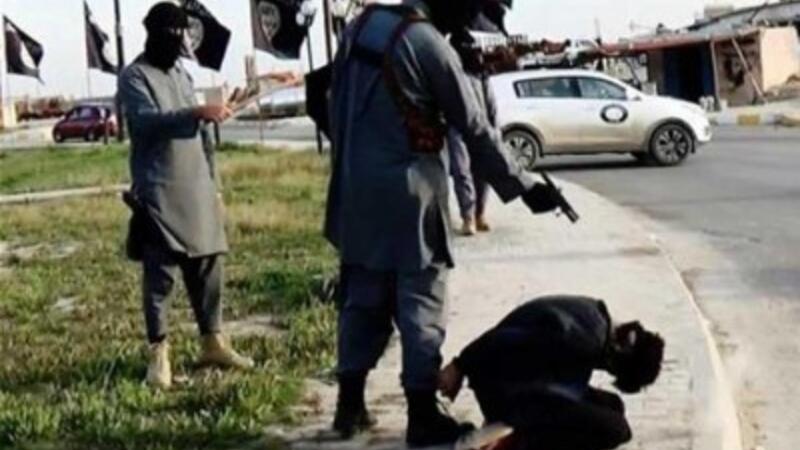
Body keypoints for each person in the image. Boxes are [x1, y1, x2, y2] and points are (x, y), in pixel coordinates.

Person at [324, 0, 563, 446]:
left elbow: (331, 102)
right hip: (410, 196)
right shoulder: (428, 43)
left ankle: (348, 405)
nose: (464, 26)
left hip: (354, 191)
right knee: (421, 301)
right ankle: (422, 414)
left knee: (362, 300)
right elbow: (474, 127)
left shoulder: (358, 26)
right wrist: (525, 186)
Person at [118, 2, 253, 390]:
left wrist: (215, 185)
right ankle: (158, 354)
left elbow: (204, 136)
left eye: (180, 36)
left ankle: (213, 342)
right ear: (152, 34)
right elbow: (146, 123)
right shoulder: (134, 76)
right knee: (160, 275)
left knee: (209, 265)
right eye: (169, 35)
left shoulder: (182, 73)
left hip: (198, 186)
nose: (175, 43)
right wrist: (196, 113)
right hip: (158, 190)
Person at [438, 295, 666, 450]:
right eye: (614, 371)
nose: (607, 370)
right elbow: (503, 339)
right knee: (615, 429)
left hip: (529, 380)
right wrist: (459, 365)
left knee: (613, 405)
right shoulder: (583, 339)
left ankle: (517, 430)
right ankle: (512, 439)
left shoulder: (597, 319)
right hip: (507, 391)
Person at [447, 30, 495, 236]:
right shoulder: (450, 72)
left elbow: (491, 103)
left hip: (480, 127)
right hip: (457, 128)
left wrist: (494, 127)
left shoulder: (480, 73)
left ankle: (480, 214)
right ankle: (468, 217)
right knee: (462, 171)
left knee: (482, 172)